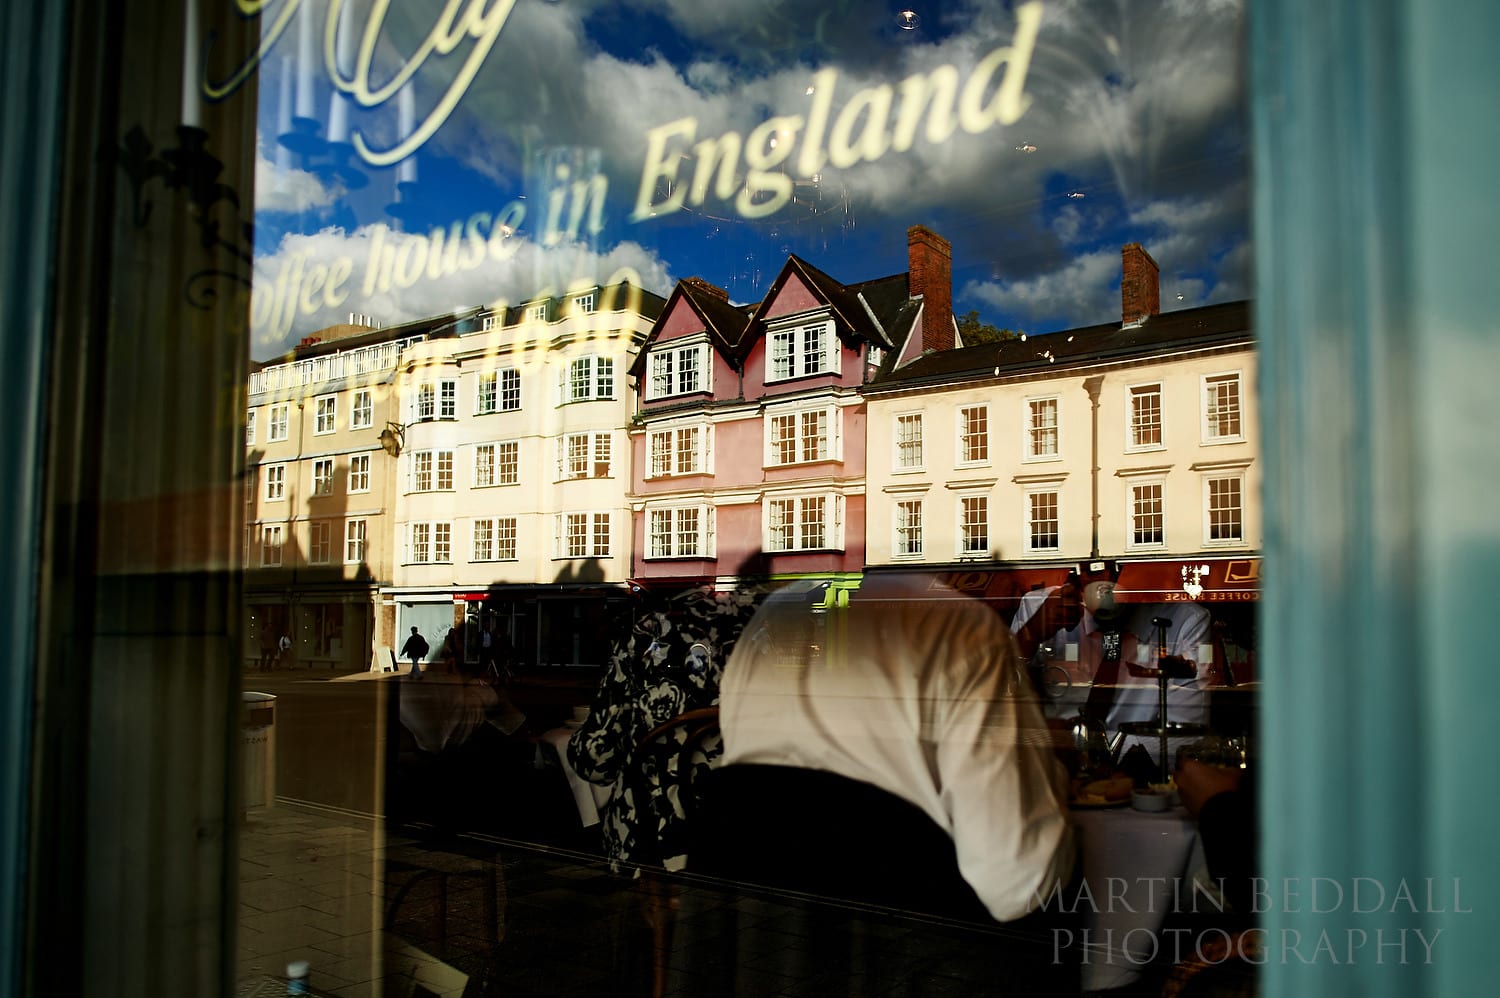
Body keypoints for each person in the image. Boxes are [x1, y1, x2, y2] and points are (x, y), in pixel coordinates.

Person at [699, 573, 1075, 924]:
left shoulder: (782, 611)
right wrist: (1051, 783)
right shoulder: (965, 629)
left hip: (755, 935)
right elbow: (1016, 882)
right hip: (901, 944)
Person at [567, 583, 763, 874]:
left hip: (655, 847)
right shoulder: (751, 633)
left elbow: (594, 763)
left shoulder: (645, 635)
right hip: (743, 843)